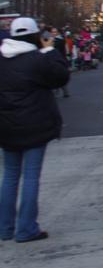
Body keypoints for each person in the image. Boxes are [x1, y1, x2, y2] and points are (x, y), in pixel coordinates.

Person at [0, 17, 70, 243]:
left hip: (6, 127)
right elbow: (60, 77)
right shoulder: (37, 60)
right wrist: (50, 51)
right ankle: (26, 228)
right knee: (31, 176)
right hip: (35, 125)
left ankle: (4, 227)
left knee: (10, 177)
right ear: (35, 36)